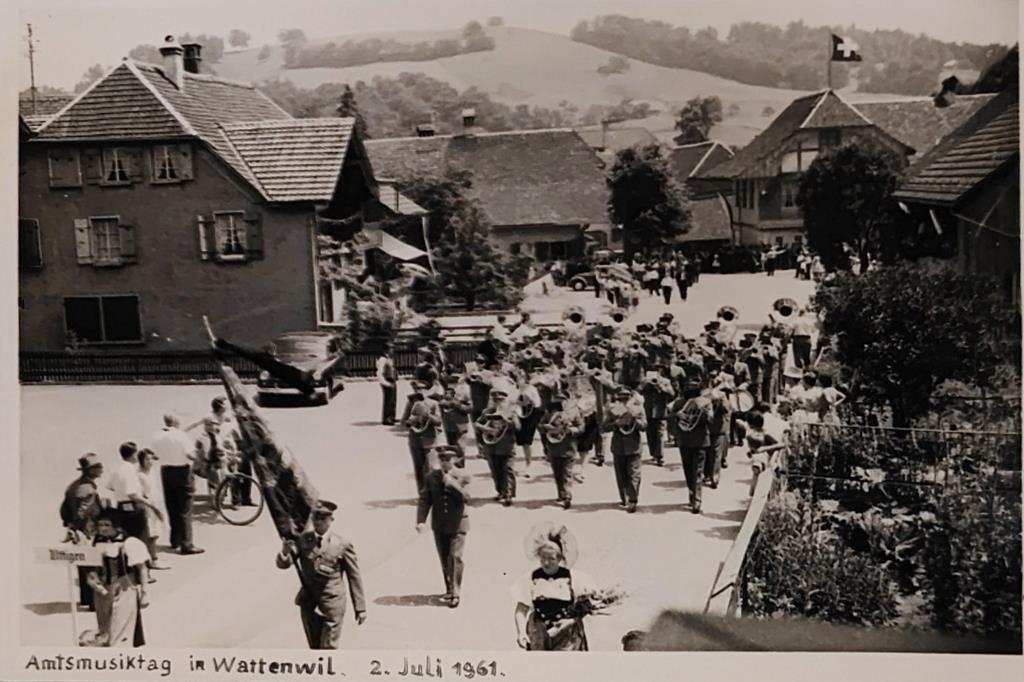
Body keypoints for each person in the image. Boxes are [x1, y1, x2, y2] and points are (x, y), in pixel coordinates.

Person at [277, 500, 366, 649]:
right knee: (314, 644)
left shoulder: (342, 544)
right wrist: (285, 553)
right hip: (309, 600)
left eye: (323, 518)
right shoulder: (304, 540)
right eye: (315, 517)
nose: (318, 521)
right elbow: (284, 564)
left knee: (328, 646)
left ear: (331, 520)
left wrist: (360, 607)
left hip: (332, 600)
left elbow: (354, 576)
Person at [512, 524, 595, 651]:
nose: (546, 563)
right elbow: (521, 609)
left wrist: (572, 620)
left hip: (566, 632)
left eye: (551, 558)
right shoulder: (531, 578)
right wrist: (521, 633)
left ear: (560, 558)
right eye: (543, 558)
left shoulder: (573, 578)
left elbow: (586, 606)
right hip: (539, 632)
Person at [84, 508, 149, 647]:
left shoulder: (129, 543)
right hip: (102, 589)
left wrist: (144, 593)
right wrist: (93, 579)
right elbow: (91, 566)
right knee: (104, 626)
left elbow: (142, 569)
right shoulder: (97, 542)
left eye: (107, 525)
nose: (103, 528)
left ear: (117, 526)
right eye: (100, 525)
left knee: (121, 626)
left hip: (124, 588)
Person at [416, 446, 471, 608]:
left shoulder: (463, 475)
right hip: (439, 523)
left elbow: (467, 497)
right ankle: (449, 587)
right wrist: (421, 520)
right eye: (442, 459)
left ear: (455, 460)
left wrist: (452, 483)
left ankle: (456, 592)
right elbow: (425, 499)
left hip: (458, 523)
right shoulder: (431, 477)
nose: (445, 462)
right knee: (445, 556)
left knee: (455, 556)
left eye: (448, 459)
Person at [149, 414, 203, 555]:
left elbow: (154, 455)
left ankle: (175, 539)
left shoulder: (157, 436)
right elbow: (191, 454)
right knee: (185, 508)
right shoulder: (181, 435)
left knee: (172, 505)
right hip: (182, 471)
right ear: (176, 422)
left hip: (166, 471)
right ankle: (187, 543)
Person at [61, 453, 105, 609]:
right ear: (90, 470)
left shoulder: (74, 485)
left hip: (78, 529)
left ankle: (87, 599)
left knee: (84, 565)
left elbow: (64, 509)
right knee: (93, 565)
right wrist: (81, 527)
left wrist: (70, 525)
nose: (102, 469)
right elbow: (83, 511)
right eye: (98, 467)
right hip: (88, 530)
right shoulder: (88, 489)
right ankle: (95, 602)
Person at [669, 382, 714, 514]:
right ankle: (692, 492)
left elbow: (710, 420)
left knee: (698, 471)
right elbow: (670, 417)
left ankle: (697, 500)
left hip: (700, 441)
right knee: (688, 470)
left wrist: (705, 413)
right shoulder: (678, 403)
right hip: (684, 441)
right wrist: (677, 416)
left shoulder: (705, 402)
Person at [475, 382, 520, 506]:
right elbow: (477, 424)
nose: (497, 401)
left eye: (500, 399)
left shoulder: (511, 412)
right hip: (491, 445)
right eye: (495, 399)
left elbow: (518, 427)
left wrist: (507, 420)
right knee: (495, 470)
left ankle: (509, 494)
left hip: (506, 445)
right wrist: (487, 429)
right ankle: (501, 491)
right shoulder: (487, 411)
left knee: (507, 470)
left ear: (505, 399)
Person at [605, 386, 647, 513]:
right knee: (621, 474)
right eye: (621, 398)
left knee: (634, 474)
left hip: (634, 446)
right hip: (618, 447)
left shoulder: (638, 409)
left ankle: (633, 500)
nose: (624, 401)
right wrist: (615, 424)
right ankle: (624, 496)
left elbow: (644, 426)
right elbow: (604, 426)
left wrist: (634, 418)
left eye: (626, 398)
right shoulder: (615, 409)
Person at [106, 442, 158, 542]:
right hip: (134, 508)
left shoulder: (117, 468)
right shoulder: (130, 470)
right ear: (133, 454)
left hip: (121, 506)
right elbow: (132, 494)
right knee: (139, 538)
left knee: (127, 537)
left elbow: (111, 487)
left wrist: (120, 491)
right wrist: (151, 505)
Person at [538, 393, 581, 509]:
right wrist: (546, 427)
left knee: (567, 473)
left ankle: (567, 495)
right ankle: (561, 494)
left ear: (567, 401)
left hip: (568, 447)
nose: (560, 402)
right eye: (558, 399)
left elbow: (581, 427)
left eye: (563, 399)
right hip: (553, 447)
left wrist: (572, 430)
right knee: (557, 473)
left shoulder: (574, 412)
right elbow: (540, 426)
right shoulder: (550, 413)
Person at [405, 380, 443, 493]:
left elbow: (439, 421)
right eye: (416, 389)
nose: (418, 391)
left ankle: (434, 492)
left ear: (426, 390)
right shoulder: (410, 404)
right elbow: (404, 423)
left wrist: (428, 415)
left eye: (421, 389)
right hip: (415, 440)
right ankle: (422, 492)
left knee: (431, 468)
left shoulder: (433, 403)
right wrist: (412, 420)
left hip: (429, 439)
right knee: (419, 468)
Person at [135, 449, 169, 573]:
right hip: (148, 506)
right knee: (151, 534)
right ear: (141, 461)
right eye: (147, 459)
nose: (150, 462)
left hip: (157, 502)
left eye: (151, 459)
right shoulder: (139, 475)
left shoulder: (152, 472)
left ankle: (151, 558)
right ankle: (153, 559)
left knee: (156, 532)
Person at [514, 372, 543, 478]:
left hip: (530, 415)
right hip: (517, 414)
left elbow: (538, 404)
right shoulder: (514, 389)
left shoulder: (531, 389)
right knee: (514, 439)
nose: (519, 379)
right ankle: (512, 464)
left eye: (521, 377)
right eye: (518, 377)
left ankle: (529, 465)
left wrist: (529, 400)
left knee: (527, 441)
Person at [439, 375, 472, 466]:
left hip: (461, 424)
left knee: (460, 447)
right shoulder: (445, 393)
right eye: (450, 383)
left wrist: (458, 405)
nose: (451, 386)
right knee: (451, 447)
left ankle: (460, 467)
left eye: (453, 383)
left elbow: (470, 408)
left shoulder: (465, 393)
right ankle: (453, 469)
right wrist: (442, 404)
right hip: (449, 423)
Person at [376, 346, 398, 426]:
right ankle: (386, 418)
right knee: (388, 400)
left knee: (393, 400)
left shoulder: (389, 358)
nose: (393, 350)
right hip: (387, 380)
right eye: (391, 349)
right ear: (386, 350)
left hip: (392, 380)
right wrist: (384, 383)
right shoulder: (382, 359)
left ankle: (392, 416)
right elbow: (379, 373)